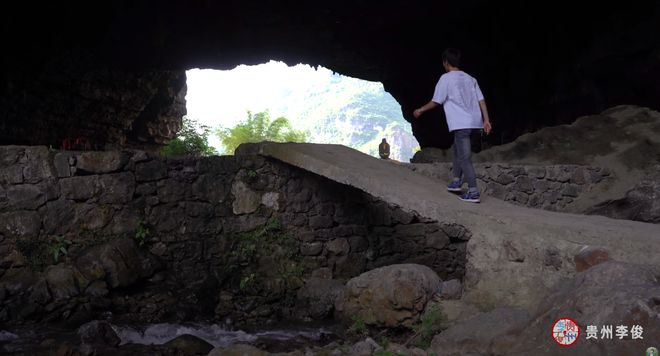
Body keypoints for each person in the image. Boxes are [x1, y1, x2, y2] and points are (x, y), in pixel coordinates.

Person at [413, 48, 492, 203]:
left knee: (465, 157)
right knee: (456, 149)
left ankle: (473, 191)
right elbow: (481, 100)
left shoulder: (446, 79)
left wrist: (420, 110)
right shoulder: (471, 79)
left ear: (445, 63)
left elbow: (436, 101)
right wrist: (486, 120)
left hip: (461, 124)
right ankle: (456, 181)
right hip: (474, 123)